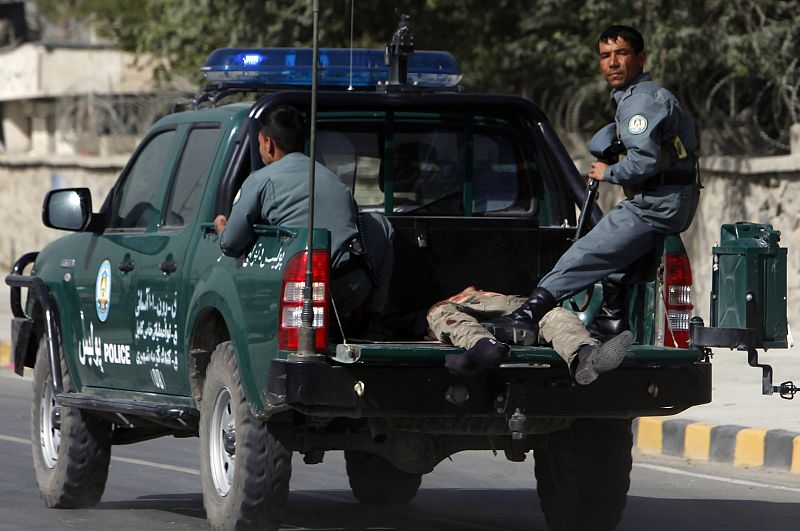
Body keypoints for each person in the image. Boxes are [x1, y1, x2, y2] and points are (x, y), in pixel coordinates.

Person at [487, 25, 700, 338]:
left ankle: (526, 316)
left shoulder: (641, 101)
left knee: (585, 253)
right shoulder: (636, 98)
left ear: (641, 58)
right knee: (614, 249)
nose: (612, 62)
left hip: (656, 204)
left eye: (621, 53)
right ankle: (612, 319)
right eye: (605, 56)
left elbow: (645, 161)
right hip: (661, 199)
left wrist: (608, 173)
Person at [214, 105, 394, 334]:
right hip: (354, 289)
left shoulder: (261, 181)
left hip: (305, 300)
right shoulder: (331, 177)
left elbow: (230, 244)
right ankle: (375, 317)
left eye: (259, 143)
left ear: (268, 143)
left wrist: (222, 226)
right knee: (382, 225)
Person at [428, 286, 633, 384]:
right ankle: (586, 352)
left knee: (439, 314)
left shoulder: (453, 299)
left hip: (470, 304)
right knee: (556, 317)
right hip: (522, 305)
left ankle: (482, 344)